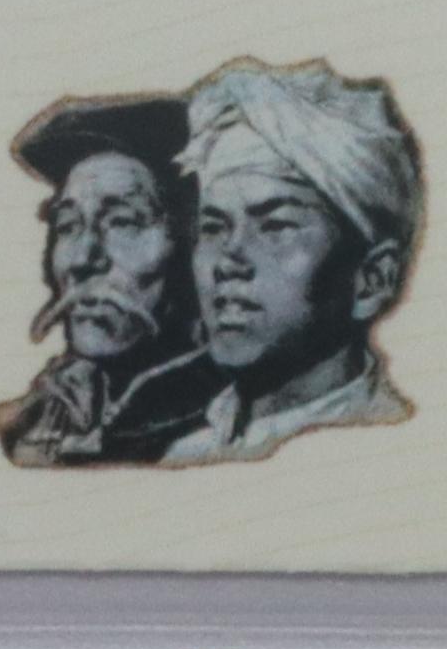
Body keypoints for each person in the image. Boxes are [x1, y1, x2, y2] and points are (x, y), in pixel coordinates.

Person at [155, 58, 423, 466]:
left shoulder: (384, 447)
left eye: (275, 226)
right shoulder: (188, 454)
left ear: (372, 279)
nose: (228, 260)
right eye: (213, 227)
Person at [0, 93, 206, 465]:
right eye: (68, 225)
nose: (81, 260)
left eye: (122, 221)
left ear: (191, 241)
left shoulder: (221, 417)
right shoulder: (39, 414)